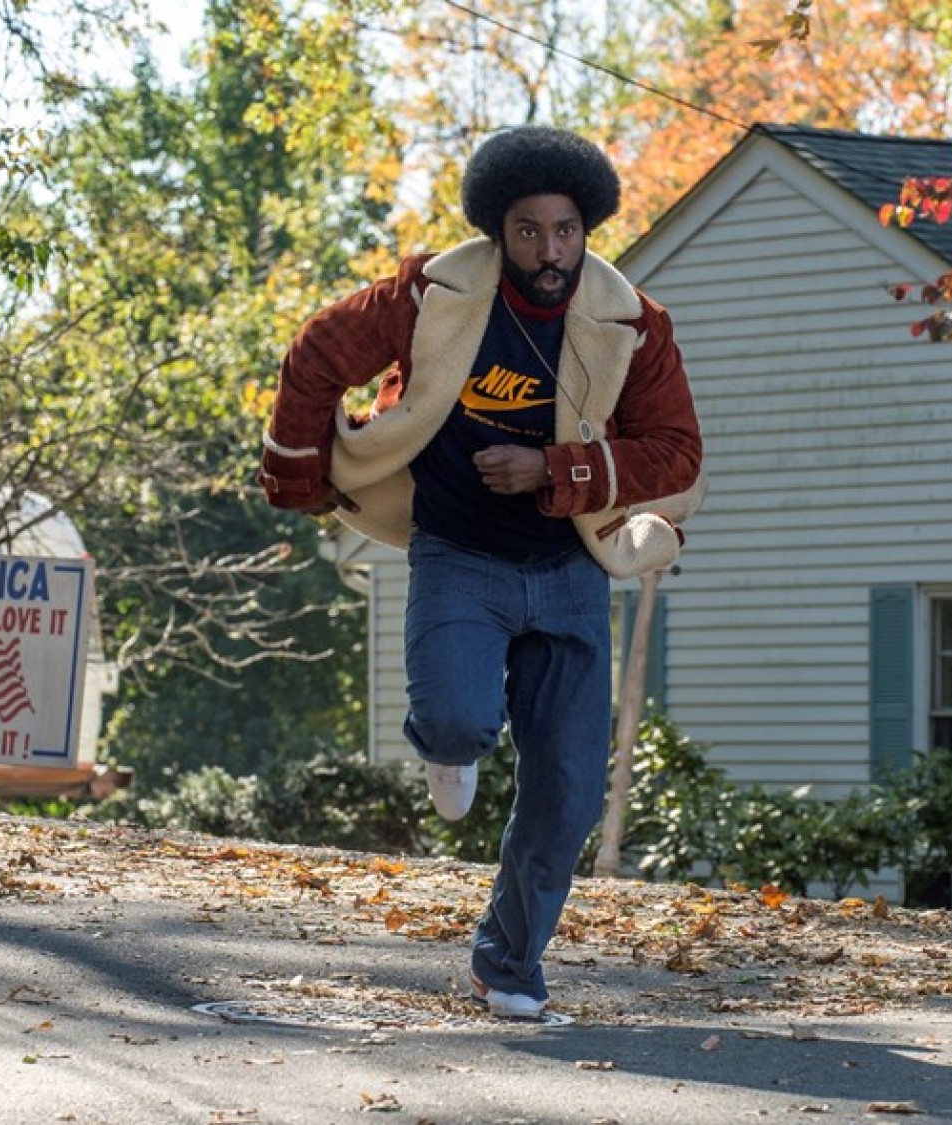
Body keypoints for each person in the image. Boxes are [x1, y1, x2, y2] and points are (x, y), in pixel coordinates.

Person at [257, 125, 704, 1019]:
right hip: (459, 552)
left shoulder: (633, 324)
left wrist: (553, 470)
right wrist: (300, 476)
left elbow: (678, 451)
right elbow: (317, 352)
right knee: (456, 718)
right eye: (530, 230)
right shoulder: (433, 294)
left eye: (566, 230)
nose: (550, 250)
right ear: (500, 231)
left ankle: (507, 962)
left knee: (569, 791)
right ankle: (450, 746)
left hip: (570, 567)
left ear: (587, 230)